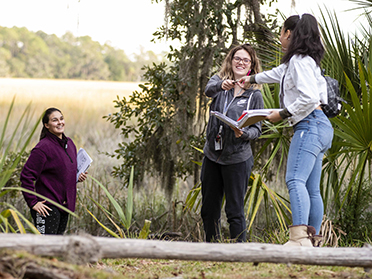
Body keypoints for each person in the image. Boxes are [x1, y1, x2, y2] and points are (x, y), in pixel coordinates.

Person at [238, 14, 333, 247]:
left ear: (288, 34)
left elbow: (309, 98)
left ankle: (299, 239)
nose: (280, 37)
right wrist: (248, 79)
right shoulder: (304, 61)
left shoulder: (299, 61)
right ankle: (313, 241)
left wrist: (282, 113)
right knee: (311, 188)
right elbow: (275, 74)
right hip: (321, 126)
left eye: (281, 33)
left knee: (294, 179)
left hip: (309, 124)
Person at [201, 44, 264, 242]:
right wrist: (221, 85)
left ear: (251, 66)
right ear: (231, 60)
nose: (241, 63)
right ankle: (213, 249)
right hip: (212, 155)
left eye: (246, 60)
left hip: (237, 159)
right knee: (209, 209)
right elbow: (208, 91)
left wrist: (243, 133)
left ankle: (240, 253)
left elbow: (257, 130)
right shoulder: (218, 81)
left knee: (234, 211)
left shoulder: (254, 95)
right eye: (237, 58)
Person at [20, 108, 87, 235]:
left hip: (64, 207)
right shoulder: (42, 148)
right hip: (47, 208)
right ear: (46, 125)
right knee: (45, 248)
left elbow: (63, 172)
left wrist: (77, 177)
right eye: (54, 120)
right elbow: (26, 176)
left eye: (61, 118)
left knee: (56, 248)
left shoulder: (70, 144)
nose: (60, 122)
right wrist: (33, 202)